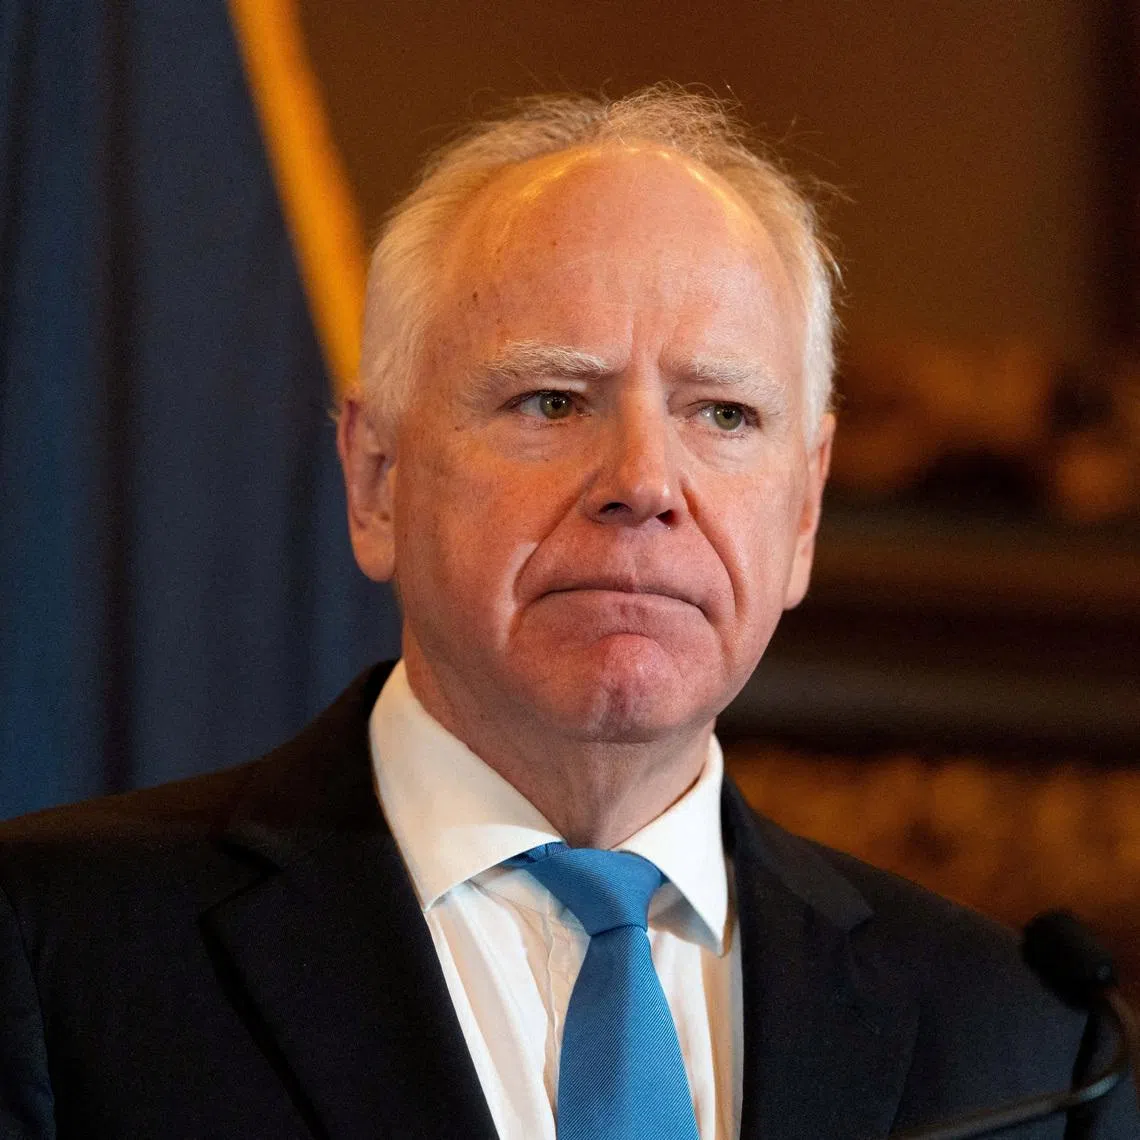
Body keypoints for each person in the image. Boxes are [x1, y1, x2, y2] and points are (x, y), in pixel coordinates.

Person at [0, 86, 1134, 1140]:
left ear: (804, 512)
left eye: (725, 413)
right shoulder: (57, 959)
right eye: (551, 399)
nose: (644, 479)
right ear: (376, 478)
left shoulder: (1024, 1044)